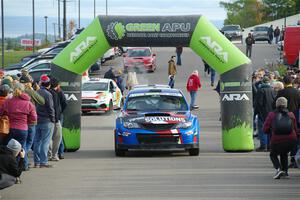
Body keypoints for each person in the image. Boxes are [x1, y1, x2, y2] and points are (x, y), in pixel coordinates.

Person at [0, 83, 37, 168]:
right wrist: (27, 121)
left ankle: (8, 166)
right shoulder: (28, 103)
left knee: (8, 148)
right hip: (23, 129)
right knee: (21, 148)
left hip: (10, 128)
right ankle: (21, 166)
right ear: (23, 91)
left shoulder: (8, 101)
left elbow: (1, 112)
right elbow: (34, 118)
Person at [263, 97, 298, 179]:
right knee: (284, 153)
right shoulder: (291, 114)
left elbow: (265, 129)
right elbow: (295, 129)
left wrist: (271, 131)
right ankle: (285, 172)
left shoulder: (272, 115)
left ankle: (279, 169)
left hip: (276, 140)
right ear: (286, 105)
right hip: (291, 140)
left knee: (273, 155)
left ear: (276, 104)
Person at [19, 75, 45, 170]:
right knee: (29, 143)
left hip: (17, 122)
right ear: (28, 83)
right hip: (30, 121)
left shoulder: (15, 92)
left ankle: (24, 164)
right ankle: (21, 157)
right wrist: (35, 91)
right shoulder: (30, 92)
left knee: (22, 143)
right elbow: (42, 101)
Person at [275, 75, 300, 168]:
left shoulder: (281, 92)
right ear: (292, 82)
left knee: (283, 138)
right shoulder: (297, 92)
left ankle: (283, 156)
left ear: (284, 83)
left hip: (283, 118)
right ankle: (294, 158)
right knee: (295, 139)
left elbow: (274, 104)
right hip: (296, 118)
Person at [33, 75, 55, 168]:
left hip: (37, 120)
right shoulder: (48, 94)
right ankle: (43, 161)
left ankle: (37, 161)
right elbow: (50, 108)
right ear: (49, 84)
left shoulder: (36, 92)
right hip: (46, 120)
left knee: (37, 141)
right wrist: (53, 119)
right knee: (45, 141)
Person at [255, 77, 276, 151]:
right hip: (271, 113)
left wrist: (256, 113)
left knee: (262, 129)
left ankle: (263, 146)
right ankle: (270, 146)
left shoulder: (260, 90)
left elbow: (258, 103)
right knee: (270, 130)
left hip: (262, 113)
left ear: (262, 82)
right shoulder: (272, 90)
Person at [48, 77, 63, 162]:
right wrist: (58, 116)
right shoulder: (56, 93)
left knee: (48, 138)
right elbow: (61, 105)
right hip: (55, 119)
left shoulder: (41, 92)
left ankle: (50, 154)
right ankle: (54, 155)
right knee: (57, 137)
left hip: (45, 119)